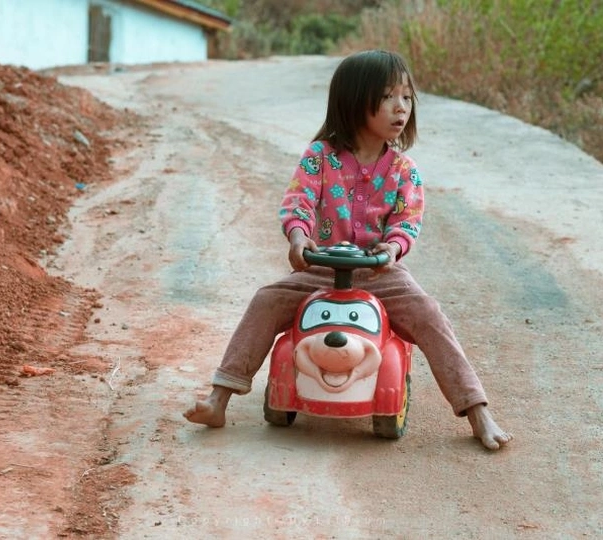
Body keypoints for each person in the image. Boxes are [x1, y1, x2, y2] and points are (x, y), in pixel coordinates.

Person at [184, 49, 513, 450]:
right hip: (320, 268)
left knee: (428, 314)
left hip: (380, 271)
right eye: (388, 96)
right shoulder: (320, 157)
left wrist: (393, 248)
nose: (400, 107)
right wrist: (298, 237)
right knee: (266, 300)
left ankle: (477, 410)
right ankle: (219, 398)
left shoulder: (403, 170)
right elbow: (299, 202)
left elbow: (407, 220)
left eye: (406, 97)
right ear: (355, 101)